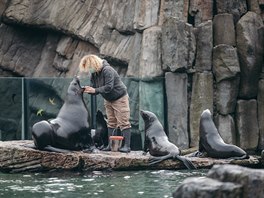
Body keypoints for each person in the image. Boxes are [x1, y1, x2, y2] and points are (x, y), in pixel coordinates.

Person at [79, 54, 131, 153]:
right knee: (111, 122)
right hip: (108, 99)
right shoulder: (94, 74)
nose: (89, 70)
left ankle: (127, 146)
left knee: (123, 122)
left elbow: (108, 87)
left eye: (89, 67)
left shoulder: (107, 70)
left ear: (94, 64)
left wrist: (95, 90)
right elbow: (95, 89)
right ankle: (110, 145)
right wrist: (88, 90)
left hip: (120, 97)